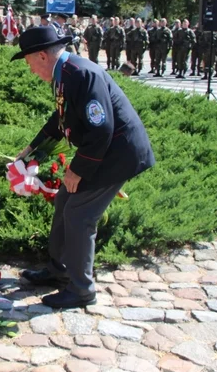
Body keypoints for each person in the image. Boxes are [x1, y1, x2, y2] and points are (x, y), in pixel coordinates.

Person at [11, 27, 155, 308]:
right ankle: (60, 271)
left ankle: (81, 290)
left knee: (79, 215)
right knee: (65, 201)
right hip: (103, 151)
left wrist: (77, 170)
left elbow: (102, 129)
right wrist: (31, 149)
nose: (30, 71)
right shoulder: (65, 73)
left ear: (42, 55)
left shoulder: (81, 74)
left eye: (29, 63)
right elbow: (61, 117)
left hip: (116, 155)